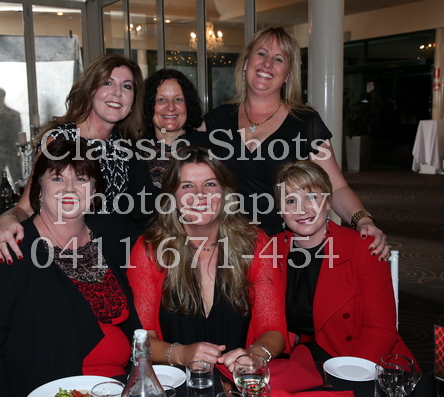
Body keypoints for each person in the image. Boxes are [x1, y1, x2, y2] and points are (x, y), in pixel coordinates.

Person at [0, 139, 141, 397]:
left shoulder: (111, 238)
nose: (70, 188)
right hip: (45, 391)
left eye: (81, 178)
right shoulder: (7, 252)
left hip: (118, 386)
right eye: (57, 178)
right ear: (38, 191)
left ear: (95, 190)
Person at [203, 26, 389, 260]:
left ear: (288, 75)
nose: (267, 63)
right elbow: (177, 146)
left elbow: (336, 186)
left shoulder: (305, 122)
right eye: (261, 53)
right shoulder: (217, 119)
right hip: (227, 245)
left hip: (283, 246)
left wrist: (363, 220)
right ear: (246, 62)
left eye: (279, 59)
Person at [128, 146, 288, 372]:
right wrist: (182, 354)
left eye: (210, 184)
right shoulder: (149, 250)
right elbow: (141, 340)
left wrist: (255, 356)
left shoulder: (255, 243)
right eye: (187, 186)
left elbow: (274, 329)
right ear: (171, 197)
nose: (200, 194)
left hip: (238, 380)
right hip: (174, 382)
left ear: (224, 193)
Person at [0, 53, 145, 264]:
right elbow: (28, 205)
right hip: (64, 254)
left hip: (111, 253)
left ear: (133, 100)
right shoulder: (61, 139)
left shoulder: (124, 147)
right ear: (91, 90)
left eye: (127, 86)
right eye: (108, 83)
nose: (117, 92)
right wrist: (6, 219)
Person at [272, 160, 416, 366]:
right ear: (280, 209)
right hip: (297, 358)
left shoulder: (363, 248)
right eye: (290, 200)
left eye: (312, 197)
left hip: (355, 358)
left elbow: (380, 329)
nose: (301, 209)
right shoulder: (271, 249)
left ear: (328, 202)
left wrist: (354, 371)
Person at [121, 68, 209, 232]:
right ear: (149, 105)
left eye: (178, 99)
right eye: (161, 100)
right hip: (143, 244)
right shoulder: (128, 153)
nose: (171, 107)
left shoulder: (210, 149)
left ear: (188, 105)